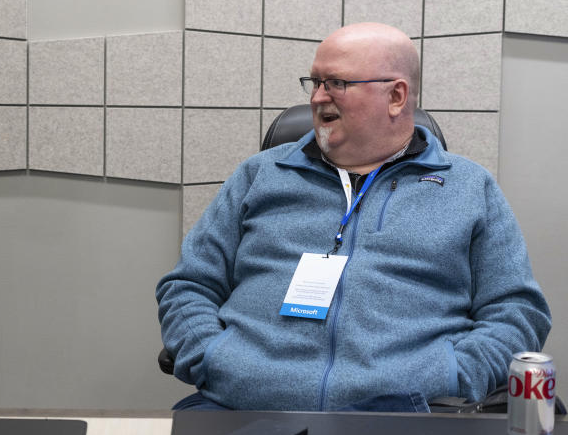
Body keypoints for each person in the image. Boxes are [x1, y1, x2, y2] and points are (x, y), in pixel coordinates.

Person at [156, 22, 551, 412]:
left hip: (409, 416)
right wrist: (211, 356)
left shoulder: (468, 187)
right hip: (242, 405)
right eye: (314, 82)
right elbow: (188, 285)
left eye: (336, 84)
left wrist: (456, 374)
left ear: (396, 96)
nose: (317, 98)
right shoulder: (260, 174)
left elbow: (517, 311)